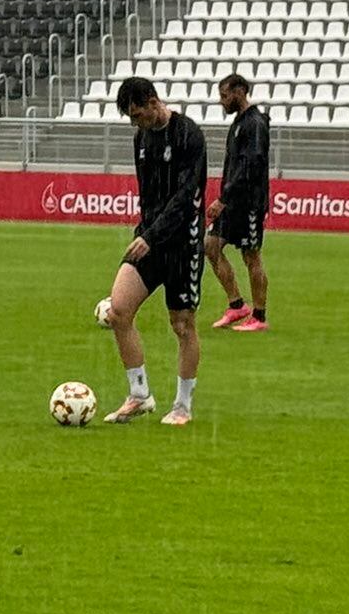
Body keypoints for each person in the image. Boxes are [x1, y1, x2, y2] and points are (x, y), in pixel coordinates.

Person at [102, 76, 208, 427]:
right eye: (131, 118)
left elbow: (185, 198)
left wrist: (154, 235)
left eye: (138, 115)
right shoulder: (142, 138)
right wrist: (144, 233)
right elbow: (148, 194)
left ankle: (183, 405)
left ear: (153, 102)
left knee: (181, 324)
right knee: (119, 310)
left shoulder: (188, 135)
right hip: (149, 238)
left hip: (182, 242)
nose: (136, 123)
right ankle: (139, 395)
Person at [205, 72, 271, 332]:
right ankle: (236, 306)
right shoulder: (240, 122)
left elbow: (250, 167)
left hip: (248, 203)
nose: (222, 101)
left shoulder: (255, 123)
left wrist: (223, 198)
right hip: (233, 202)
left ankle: (259, 316)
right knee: (210, 246)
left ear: (240, 92)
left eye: (224, 95)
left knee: (251, 256)